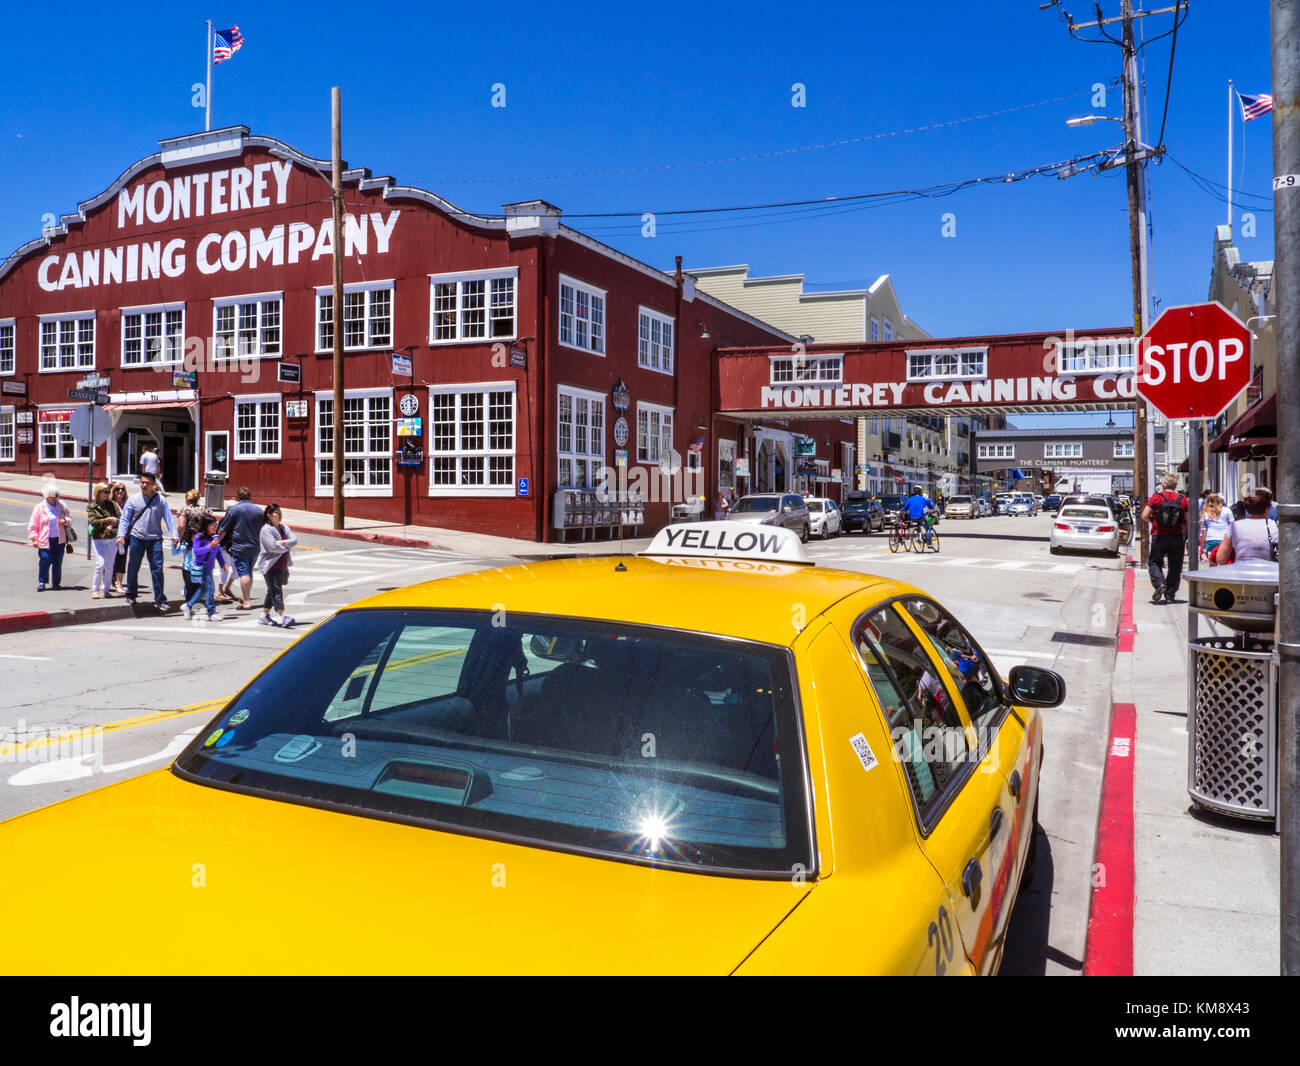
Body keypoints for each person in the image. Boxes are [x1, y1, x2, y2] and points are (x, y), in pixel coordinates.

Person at [116, 472, 179, 611]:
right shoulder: (133, 500)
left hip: (155, 539)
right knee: (133, 567)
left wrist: (174, 535)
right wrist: (120, 535)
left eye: (147, 483)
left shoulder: (161, 500)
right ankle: (131, 594)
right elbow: (125, 519)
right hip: (137, 538)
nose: (144, 485)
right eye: (142, 482)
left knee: (157, 569)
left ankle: (160, 600)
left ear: (153, 485)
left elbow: (169, 519)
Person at [1141, 473, 1189, 605]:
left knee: (1154, 562)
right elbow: (1187, 520)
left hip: (1159, 535)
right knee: (1175, 566)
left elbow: (1144, 515)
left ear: (1163, 484)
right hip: (1177, 536)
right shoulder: (1183, 499)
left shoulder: (1156, 497)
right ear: (1175, 485)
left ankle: (1159, 584)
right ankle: (1170, 595)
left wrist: (1154, 521)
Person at [217, 487, 264, 610]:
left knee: (243, 572)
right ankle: (246, 596)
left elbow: (223, 529)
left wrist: (217, 541)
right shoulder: (259, 510)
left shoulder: (234, 510)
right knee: (249, 571)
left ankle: (247, 601)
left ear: (238, 497)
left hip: (240, 545)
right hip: (254, 545)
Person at [179, 515, 227, 622]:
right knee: (210, 588)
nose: (215, 528)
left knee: (204, 589)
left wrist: (222, 564)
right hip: (202, 566)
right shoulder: (199, 537)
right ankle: (211, 612)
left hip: (209, 567)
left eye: (216, 526)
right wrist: (210, 545)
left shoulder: (215, 537)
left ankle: (188, 605)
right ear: (205, 526)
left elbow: (218, 552)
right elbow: (197, 552)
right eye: (212, 526)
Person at [27, 483, 74, 592]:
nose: (54, 500)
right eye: (52, 497)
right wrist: (34, 538)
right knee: (45, 559)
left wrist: (65, 521)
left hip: (59, 539)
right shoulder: (39, 508)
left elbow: (70, 518)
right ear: (46, 496)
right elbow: (33, 524)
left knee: (57, 561)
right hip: (45, 539)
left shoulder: (62, 505)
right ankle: (42, 582)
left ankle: (56, 583)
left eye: (56, 497)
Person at [256, 504, 297, 628]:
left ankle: (264, 615)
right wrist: (286, 546)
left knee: (272, 590)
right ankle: (283, 616)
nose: (279, 515)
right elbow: (272, 547)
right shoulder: (265, 530)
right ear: (269, 515)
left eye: (280, 512)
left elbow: (294, 540)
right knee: (276, 591)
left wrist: (283, 542)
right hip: (270, 566)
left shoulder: (284, 528)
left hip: (282, 565)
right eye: (276, 513)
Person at [1213, 493, 1279, 565]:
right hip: (1267, 572)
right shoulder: (1271, 525)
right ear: (1267, 509)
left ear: (1246, 509)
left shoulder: (1235, 527)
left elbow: (1220, 559)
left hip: (1241, 572)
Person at [86, 481, 121, 599]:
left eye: (108, 492)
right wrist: (107, 520)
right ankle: (95, 590)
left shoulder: (112, 504)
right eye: (105, 492)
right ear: (99, 492)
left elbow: (120, 518)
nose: (107, 494)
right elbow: (93, 521)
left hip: (111, 537)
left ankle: (106, 590)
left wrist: (114, 522)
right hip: (98, 538)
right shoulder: (92, 506)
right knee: (100, 563)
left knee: (110, 565)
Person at [1199, 493, 1233, 563]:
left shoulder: (1205, 513)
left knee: (1212, 564)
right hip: (1224, 539)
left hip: (1210, 540)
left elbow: (1203, 533)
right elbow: (1232, 526)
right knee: (1224, 563)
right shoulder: (1227, 510)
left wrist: (1202, 548)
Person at [109, 482, 129, 594]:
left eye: (122, 489)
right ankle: (105, 580)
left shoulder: (128, 504)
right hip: (111, 536)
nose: (120, 491)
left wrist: (119, 521)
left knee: (121, 559)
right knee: (110, 559)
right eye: (117, 489)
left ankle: (118, 583)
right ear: (114, 491)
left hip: (123, 538)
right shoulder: (110, 504)